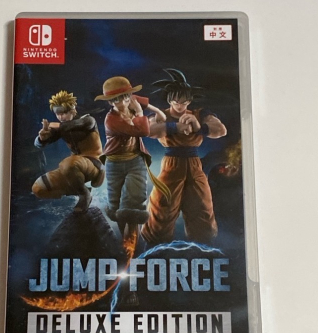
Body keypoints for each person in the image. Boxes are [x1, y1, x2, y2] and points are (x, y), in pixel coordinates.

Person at [141, 69, 227, 246]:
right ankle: (156, 245)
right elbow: (149, 130)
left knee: (202, 206)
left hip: (194, 164)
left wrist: (199, 128)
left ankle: (203, 245)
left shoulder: (200, 114)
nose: (180, 105)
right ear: (169, 99)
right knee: (162, 206)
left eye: (184, 101)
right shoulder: (161, 114)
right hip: (171, 164)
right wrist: (175, 127)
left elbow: (220, 130)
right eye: (176, 101)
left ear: (189, 100)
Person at [95, 76, 184, 241]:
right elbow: (141, 131)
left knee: (135, 203)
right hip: (115, 163)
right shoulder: (111, 120)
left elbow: (153, 110)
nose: (123, 102)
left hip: (135, 160)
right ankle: (124, 241)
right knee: (115, 205)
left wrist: (155, 113)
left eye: (125, 97)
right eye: (117, 100)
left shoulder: (132, 102)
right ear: (110, 102)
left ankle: (131, 241)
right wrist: (140, 113)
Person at [32, 90, 104, 213]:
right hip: (73, 170)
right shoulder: (62, 127)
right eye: (58, 114)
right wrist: (42, 138)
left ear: (73, 109)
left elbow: (72, 125)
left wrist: (55, 126)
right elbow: (39, 144)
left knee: (68, 163)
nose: (61, 117)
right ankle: (80, 189)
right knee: (38, 188)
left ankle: (84, 195)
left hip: (93, 165)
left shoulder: (88, 120)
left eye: (64, 113)